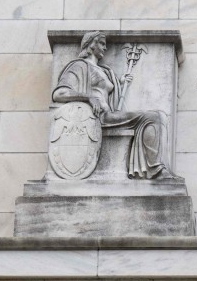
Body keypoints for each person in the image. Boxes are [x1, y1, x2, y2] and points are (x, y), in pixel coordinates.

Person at [52, 31, 172, 179]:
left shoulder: (104, 71)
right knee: (153, 117)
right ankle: (155, 169)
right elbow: (59, 94)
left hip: (109, 115)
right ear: (91, 45)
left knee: (159, 116)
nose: (105, 48)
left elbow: (107, 89)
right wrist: (88, 98)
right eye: (101, 44)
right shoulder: (79, 66)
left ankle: (153, 167)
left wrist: (120, 81)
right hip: (97, 118)